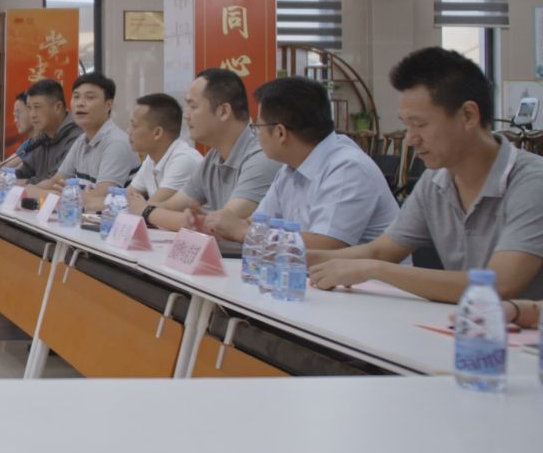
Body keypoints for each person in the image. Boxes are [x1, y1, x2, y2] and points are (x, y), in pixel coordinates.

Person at [310, 47, 543, 302]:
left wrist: (376, 270)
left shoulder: (531, 182)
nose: (410, 140)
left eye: (419, 124)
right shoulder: (436, 181)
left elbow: (500, 285)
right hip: (467, 323)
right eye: (406, 125)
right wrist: (290, 255)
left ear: (468, 115)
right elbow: (380, 251)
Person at [221, 76, 397, 250]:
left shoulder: (347, 168)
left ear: (280, 133)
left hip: (367, 271)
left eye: (258, 127)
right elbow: (258, 223)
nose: (256, 135)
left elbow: (326, 245)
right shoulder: (290, 168)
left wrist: (243, 233)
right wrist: (217, 224)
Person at [142, 68, 279, 243]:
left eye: (193, 106)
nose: (186, 115)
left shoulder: (262, 157)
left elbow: (220, 226)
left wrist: (145, 211)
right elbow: (172, 206)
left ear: (224, 111)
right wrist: (146, 210)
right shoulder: (213, 156)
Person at [35, 72, 140, 208]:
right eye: (76, 97)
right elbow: (55, 181)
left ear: (108, 105)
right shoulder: (81, 140)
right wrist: (28, 190)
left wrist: (49, 194)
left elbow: (100, 197)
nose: (80, 103)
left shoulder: (116, 143)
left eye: (89, 97)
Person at [125, 92, 203, 214]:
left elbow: (147, 211)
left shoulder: (184, 160)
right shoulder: (151, 159)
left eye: (134, 126)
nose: (128, 131)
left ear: (157, 133)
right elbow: (124, 198)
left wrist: (134, 205)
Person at [14, 79, 80, 185]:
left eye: (37, 107)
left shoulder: (76, 137)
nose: (32, 115)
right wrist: (4, 179)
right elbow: (24, 172)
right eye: (29, 108)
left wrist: (14, 183)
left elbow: (55, 181)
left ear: (58, 107)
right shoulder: (42, 136)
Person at [3, 91, 35, 170]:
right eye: (14, 115)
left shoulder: (44, 144)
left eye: (18, 114)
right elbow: (4, 166)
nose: (15, 120)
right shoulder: (29, 143)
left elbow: (15, 172)